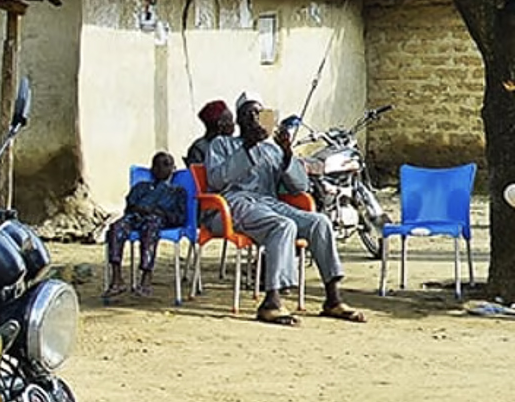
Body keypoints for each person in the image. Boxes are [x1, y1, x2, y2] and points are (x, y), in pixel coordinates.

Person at [206, 99, 367, 325]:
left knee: (319, 222)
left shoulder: (272, 150)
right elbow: (217, 179)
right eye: (250, 114)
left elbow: (300, 187)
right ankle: (272, 302)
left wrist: (287, 154)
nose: (256, 118)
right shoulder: (222, 144)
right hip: (236, 203)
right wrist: (248, 147)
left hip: (269, 201)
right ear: (240, 119)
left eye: (260, 114)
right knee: (282, 225)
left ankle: (333, 299)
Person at [103, 151, 186, 299]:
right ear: (152, 169)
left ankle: (146, 279)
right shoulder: (141, 187)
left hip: (157, 221)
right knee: (116, 228)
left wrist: (158, 212)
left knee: (151, 226)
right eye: (157, 165)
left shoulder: (177, 192)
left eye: (166, 164)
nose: (161, 168)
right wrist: (139, 209)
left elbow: (180, 217)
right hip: (135, 217)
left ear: (173, 169)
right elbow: (129, 204)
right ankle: (117, 279)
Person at [185, 99, 235, 168]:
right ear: (220, 125)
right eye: (230, 120)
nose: (233, 124)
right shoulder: (199, 149)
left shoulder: (234, 144)